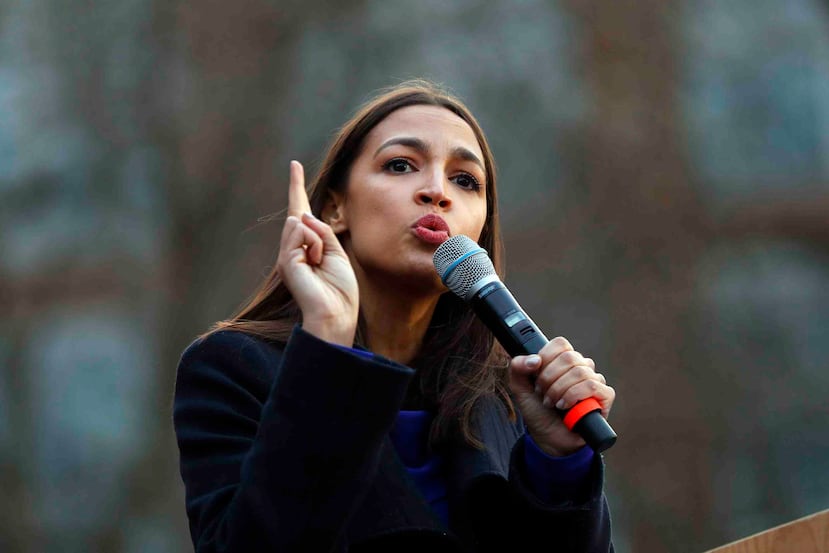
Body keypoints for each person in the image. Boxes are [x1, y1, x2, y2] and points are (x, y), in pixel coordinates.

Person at [173, 79, 616, 552]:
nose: (436, 192)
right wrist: (327, 344)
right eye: (400, 165)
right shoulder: (234, 370)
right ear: (334, 208)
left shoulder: (510, 396)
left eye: (465, 180)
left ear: (482, 229)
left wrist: (558, 462)